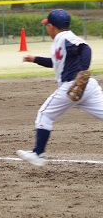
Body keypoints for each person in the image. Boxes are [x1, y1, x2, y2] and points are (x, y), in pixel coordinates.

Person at [16, 9, 103, 166]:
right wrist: (34, 59)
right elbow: (55, 63)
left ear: (51, 26)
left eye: (47, 26)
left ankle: (38, 153)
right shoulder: (62, 41)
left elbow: (85, 48)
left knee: (44, 115)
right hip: (88, 87)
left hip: (72, 85)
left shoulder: (65, 37)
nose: (46, 28)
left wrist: (83, 70)